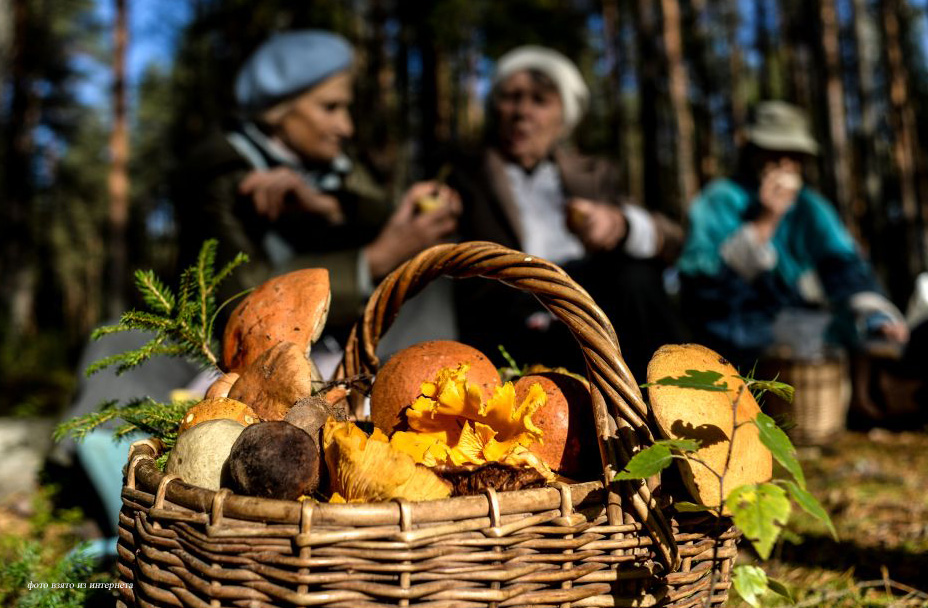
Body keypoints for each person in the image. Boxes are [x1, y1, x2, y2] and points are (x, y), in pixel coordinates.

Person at [177, 30, 460, 346]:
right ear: (279, 111)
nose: (346, 127)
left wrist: (329, 208)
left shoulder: (331, 166)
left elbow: (378, 215)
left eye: (346, 108)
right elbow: (241, 302)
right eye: (330, 108)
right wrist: (373, 261)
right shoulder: (221, 171)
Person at [448, 45, 684, 382]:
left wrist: (621, 225)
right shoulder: (465, 176)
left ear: (564, 117)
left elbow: (672, 239)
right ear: (495, 108)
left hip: (594, 314)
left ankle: (670, 392)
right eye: (511, 97)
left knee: (637, 276)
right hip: (511, 325)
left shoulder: (594, 174)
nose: (521, 111)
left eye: (539, 100)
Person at [676, 101, 909, 371]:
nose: (785, 164)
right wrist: (765, 221)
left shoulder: (811, 206)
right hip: (733, 340)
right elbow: (701, 285)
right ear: (753, 152)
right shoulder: (720, 199)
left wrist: (875, 315)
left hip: (803, 333)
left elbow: (844, 267)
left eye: (794, 155)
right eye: (774, 153)